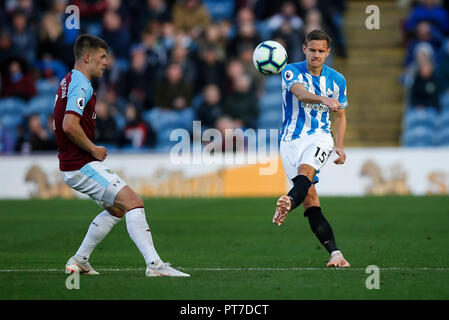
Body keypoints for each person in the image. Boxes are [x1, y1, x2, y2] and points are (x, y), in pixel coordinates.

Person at [53, 34, 189, 277]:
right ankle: (155, 265)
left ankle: (80, 260)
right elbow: (68, 125)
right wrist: (93, 149)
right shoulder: (81, 84)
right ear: (87, 57)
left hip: (73, 163)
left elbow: (61, 123)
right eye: (102, 57)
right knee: (133, 202)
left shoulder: (67, 81)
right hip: (80, 164)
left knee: (117, 210)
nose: (106, 62)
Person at [272, 30, 350, 268]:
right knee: (310, 198)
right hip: (289, 141)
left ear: (328, 53)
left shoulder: (337, 80)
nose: (316, 55)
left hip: (319, 137)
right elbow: (300, 93)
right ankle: (336, 254)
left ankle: (287, 203)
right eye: (312, 50)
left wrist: (339, 145)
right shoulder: (291, 71)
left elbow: (341, 116)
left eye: (321, 51)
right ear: (304, 49)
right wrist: (323, 99)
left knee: (306, 173)